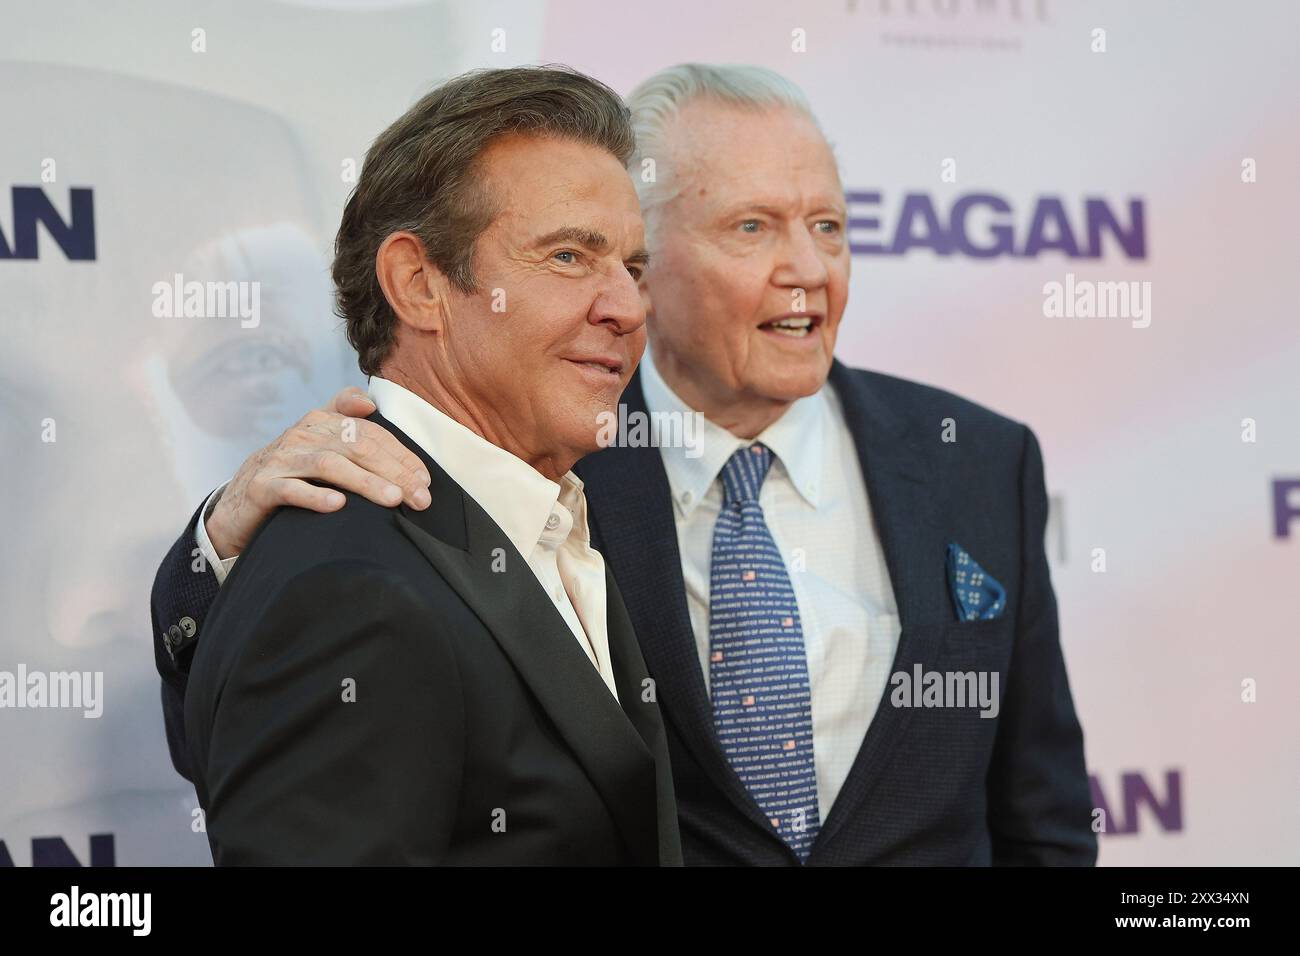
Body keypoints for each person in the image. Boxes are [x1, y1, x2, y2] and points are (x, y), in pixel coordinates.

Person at [154, 63, 1095, 866]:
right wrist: (217, 549)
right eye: (752, 228)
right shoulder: (526, 457)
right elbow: (293, 701)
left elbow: (1039, 811)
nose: (807, 267)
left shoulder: (978, 461)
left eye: (832, 227)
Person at [169, 65, 681, 865]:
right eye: (571, 257)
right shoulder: (349, 592)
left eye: (634, 268)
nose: (626, 307)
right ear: (418, 285)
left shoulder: (554, 517)